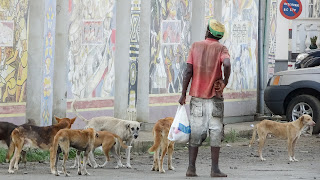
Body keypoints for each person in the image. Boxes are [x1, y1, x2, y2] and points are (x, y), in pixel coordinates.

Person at [179, 19, 231, 177]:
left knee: (195, 131)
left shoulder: (196, 46)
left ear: (208, 31)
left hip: (197, 97)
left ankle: (191, 168)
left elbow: (188, 71)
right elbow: (227, 64)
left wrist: (183, 93)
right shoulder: (221, 48)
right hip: (215, 97)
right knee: (215, 131)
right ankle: (214, 169)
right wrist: (224, 81)